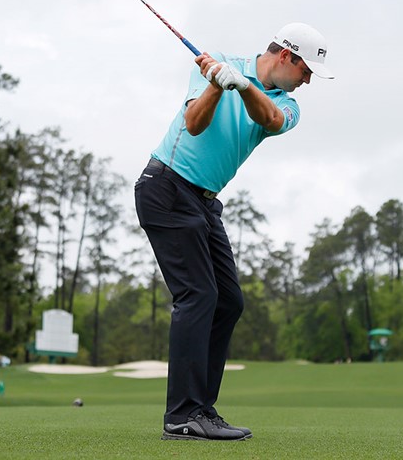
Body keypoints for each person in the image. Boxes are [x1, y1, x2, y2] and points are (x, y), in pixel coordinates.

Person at [135, 22, 332, 441]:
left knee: (228, 301)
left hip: (204, 203)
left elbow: (271, 117)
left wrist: (241, 87)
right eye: (307, 71)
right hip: (166, 187)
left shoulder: (287, 105)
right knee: (198, 294)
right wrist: (216, 84)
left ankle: (202, 409)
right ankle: (183, 415)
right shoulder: (217, 65)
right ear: (286, 57)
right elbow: (193, 124)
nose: (308, 81)